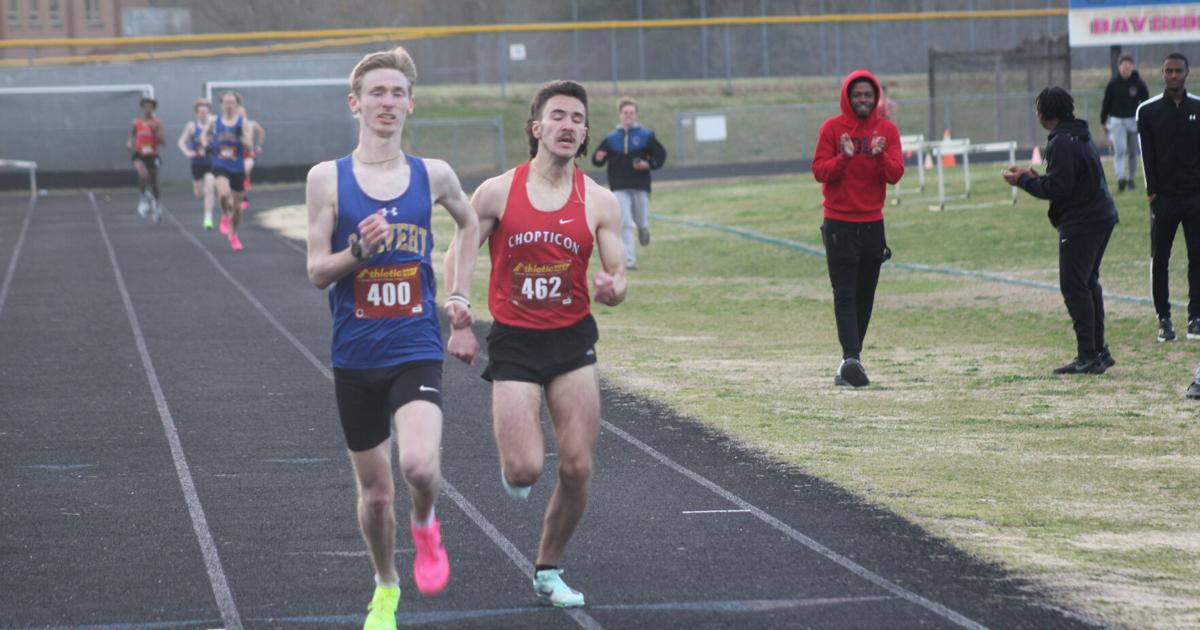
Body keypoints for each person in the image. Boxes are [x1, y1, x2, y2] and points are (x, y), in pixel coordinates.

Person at [305, 46, 481, 629]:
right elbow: (315, 271)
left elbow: (470, 220)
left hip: (414, 346)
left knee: (420, 469)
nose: (387, 102)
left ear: (411, 103)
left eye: (397, 93)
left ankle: (426, 526)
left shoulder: (434, 174)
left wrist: (459, 291)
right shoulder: (327, 178)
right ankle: (386, 585)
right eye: (376, 93)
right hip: (355, 353)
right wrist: (358, 251)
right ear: (354, 103)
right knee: (377, 495)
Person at [451, 79, 627, 608]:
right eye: (558, 116)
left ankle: (549, 569)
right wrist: (458, 310)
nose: (569, 125)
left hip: (572, 340)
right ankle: (515, 468)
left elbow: (618, 275)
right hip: (516, 342)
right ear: (536, 128)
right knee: (525, 469)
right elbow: (461, 247)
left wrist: (612, 288)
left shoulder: (599, 200)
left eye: (578, 118)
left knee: (577, 466)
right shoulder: (498, 191)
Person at [1003, 87, 1119, 375]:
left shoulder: (1061, 143)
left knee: (1075, 286)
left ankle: (1088, 355)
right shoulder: (1078, 133)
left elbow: (1059, 188)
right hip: (1101, 215)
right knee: (1088, 282)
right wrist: (1036, 177)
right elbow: (1068, 179)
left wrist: (1022, 182)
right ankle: (1098, 351)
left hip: (1082, 222)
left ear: (1043, 115)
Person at [811, 69, 903, 388]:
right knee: (845, 293)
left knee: (866, 294)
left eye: (867, 95)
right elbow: (819, 171)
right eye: (857, 95)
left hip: (872, 224)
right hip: (839, 223)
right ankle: (851, 357)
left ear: (875, 98)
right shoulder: (832, 129)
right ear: (847, 97)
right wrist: (842, 158)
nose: (862, 100)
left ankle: (850, 363)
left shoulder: (886, 130)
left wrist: (878, 157)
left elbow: (895, 174)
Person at [1136, 52, 1200, 344]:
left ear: (1188, 73)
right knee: (1160, 258)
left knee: (1197, 257)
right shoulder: (1147, 111)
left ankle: (1195, 317)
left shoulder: (1198, 107)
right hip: (1163, 200)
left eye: (1178, 70)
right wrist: (1152, 194)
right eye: (1168, 71)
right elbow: (1146, 154)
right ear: (1162, 73)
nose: (1174, 75)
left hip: (1194, 198)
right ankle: (1164, 319)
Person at [590, 97, 666, 270]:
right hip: (619, 186)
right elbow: (597, 158)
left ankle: (643, 228)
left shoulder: (646, 136)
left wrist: (648, 164)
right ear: (620, 115)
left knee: (640, 220)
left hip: (640, 185)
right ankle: (630, 259)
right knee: (624, 223)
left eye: (631, 113)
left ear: (636, 115)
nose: (628, 115)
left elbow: (660, 155)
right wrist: (598, 157)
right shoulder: (611, 138)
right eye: (625, 113)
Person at [204, 91, 252, 250]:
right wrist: (207, 144)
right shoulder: (214, 121)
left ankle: (234, 234)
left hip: (237, 165)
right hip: (220, 164)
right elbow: (205, 136)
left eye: (232, 102)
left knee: (237, 207)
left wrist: (241, 138)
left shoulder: (243, 122)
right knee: (224, 193)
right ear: (222, 104)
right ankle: (225, 215)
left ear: (237, 105)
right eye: (226, 102)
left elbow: (249, 145)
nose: (229, 105)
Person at [1100, 53, 1149, 192]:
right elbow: (1106, 103)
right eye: (1123, 64)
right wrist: (1103, 120)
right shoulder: (1113, 84)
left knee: (1133, 151)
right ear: (1119, 66)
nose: (1126, 67)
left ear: (1132, 66)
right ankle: (1120, 177)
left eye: (1129, 64)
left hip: (1133, 120)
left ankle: (1131, 179)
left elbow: (1145, 102)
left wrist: (1144, 118)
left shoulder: (1138, 83)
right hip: (1117, 121)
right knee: (1120, 150)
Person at [177, 98, 217, 230]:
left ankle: (208, 218)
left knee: (210, 188)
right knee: (199, 193)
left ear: (209, 112)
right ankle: (202, 194)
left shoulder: (215, 125)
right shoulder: (191, 126)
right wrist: (187, 152)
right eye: (201, 112)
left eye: (206, 112)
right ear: (196, 113)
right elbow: (181, 141)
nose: (203, 114)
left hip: (211, 161)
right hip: (197, 163)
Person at [128, 96, 165, 223]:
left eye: (150, 107)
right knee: (143, 174)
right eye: (145, 107)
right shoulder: (137, 122)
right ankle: (143, 199)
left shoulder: (157, 123)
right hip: (139, 154)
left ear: (153, 109)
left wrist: (155, 133)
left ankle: (158, 204)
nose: (147, 109)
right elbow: (132, 133)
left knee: (154, 182)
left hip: (152, 155)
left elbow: (163, 142)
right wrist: (130, 142)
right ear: (143, 108)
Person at [239, 106, 265, 212]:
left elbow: (261, 131)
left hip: (248, 154)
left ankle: (244, 197)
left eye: (242, 113)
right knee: (239, 177)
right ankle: (240, 196)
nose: (240, 115)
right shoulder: (234, 125)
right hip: (236, 155)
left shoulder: (251, 124)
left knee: (244, 173)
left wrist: (259, 145)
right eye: (238, 113)